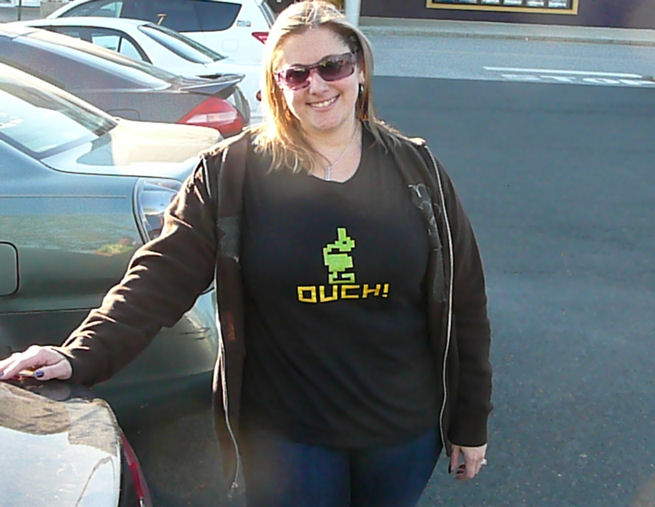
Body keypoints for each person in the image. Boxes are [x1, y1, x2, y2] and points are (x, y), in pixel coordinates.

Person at [0, 1, 492, 505]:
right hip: (287, 437)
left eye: (333, 66)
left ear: (360, 69)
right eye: (296, 74)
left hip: (401, 433)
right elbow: (160, 277)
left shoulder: (417, 171)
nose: (317, 85)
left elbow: (466, 302)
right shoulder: (232, 173)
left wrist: (470, 420)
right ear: (277, 84)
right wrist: (79, 353)